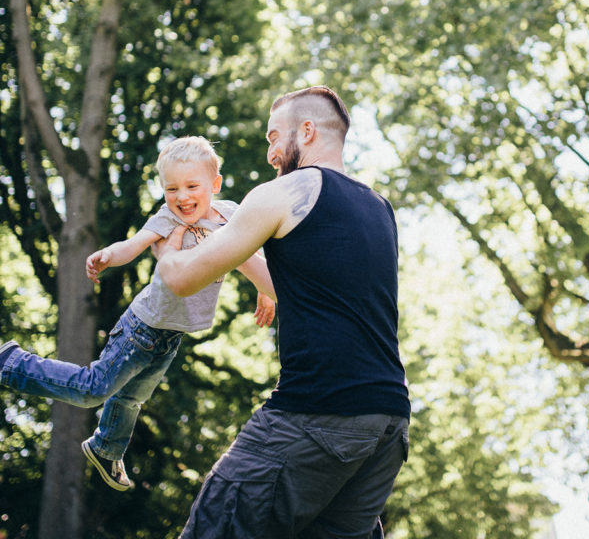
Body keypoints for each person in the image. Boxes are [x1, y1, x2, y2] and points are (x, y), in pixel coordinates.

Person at [155, 86, 410, 539]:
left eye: (275, 137)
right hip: (386, 424)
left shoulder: (286, 191)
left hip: (317, 412)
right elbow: (301, 289)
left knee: (216, 525)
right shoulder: (378, 207)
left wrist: (167, 249)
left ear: (306, 131)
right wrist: (250, 263)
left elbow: (182, 279)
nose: (271, 152)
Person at [0, 136, 276, 493]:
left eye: (192, 186)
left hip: (169, 336)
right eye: (171, 188)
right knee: (92, 389)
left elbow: (253, 248)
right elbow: (135, 244)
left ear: (215, 185)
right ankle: (12, 365)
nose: (182, 197)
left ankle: (105, 447)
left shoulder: (231, 216)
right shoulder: (166, 218)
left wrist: (263, 291)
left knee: (131, 398)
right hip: (142, 328)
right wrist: (108, 256)